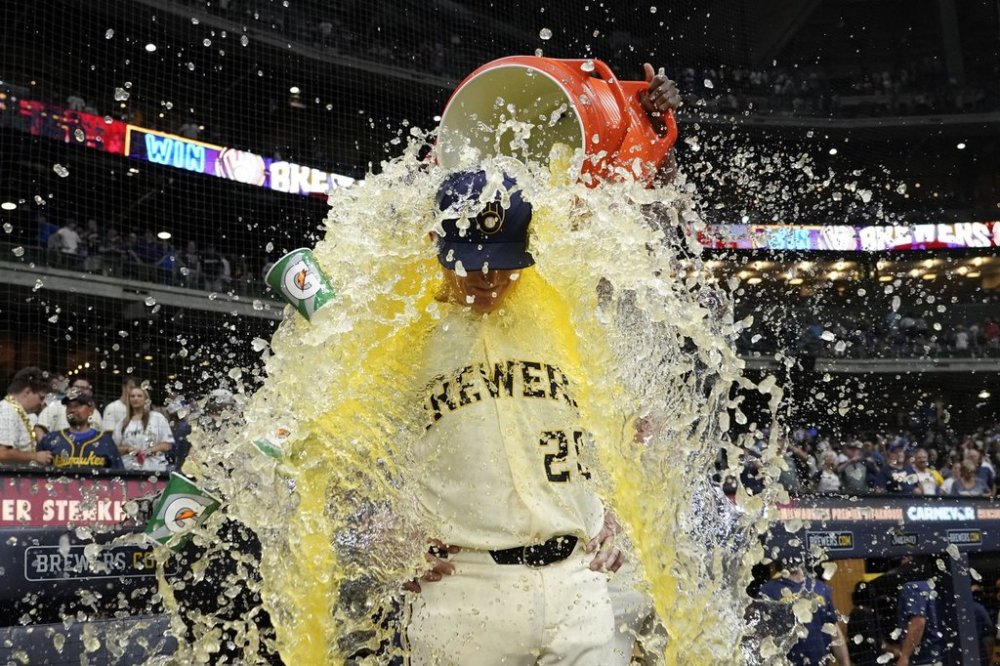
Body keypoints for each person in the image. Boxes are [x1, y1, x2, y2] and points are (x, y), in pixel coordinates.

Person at [401, 65, 681, 665]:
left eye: (502, 260)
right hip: (462, 591)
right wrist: (376, 535)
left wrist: (648, 130)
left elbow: (639, 235)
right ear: (434, 245)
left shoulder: (561, 302)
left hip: (579, 582)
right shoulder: (395, 327)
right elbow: (335, 441)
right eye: (469, 260)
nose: (487, 277)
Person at [758, 558, 851, 666]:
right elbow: (762, 635)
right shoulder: (768, 590)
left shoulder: (820, 587)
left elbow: (834, 630)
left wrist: (845, 663)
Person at [36, 389, 123, 469]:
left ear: (91, 411)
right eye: (69, 406)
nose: (72, 410)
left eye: (77, 406)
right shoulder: (50, 439)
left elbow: (119, 477)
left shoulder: (105, 441)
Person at [112, 385, 174, 472]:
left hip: (154, 470)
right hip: (128, 470)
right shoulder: (122, 423)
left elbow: (167, 444)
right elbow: (114, 448)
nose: (135, 398)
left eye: (139, 396)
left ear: (146, 399)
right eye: (132, 396)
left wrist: (148, 451)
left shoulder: (158, 418)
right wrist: (128, 449)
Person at [0, 367, 53, 466]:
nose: (42, 403)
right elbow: (2, 453)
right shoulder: (6, 411)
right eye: (41, 397)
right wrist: (35, 456)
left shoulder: (26, 415)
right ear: (27, 392)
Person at [886, 579, 942, 666]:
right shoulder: (930, 586)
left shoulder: (911, 587)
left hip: (921, 659)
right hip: (936, 656)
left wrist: (904, 656)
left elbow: (918, 623)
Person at [36, 375, 103, 438]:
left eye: (84, 388)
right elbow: (39, 428)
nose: (79, 390)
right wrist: (44, 446)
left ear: (90, 392)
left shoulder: (96, 413)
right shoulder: (55, 407)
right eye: (76, 387)